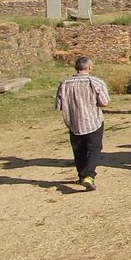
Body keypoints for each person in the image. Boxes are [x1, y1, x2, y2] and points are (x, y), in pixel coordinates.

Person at [55, 57, 110, 191]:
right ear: (89, 67)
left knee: (78, 150)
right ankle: (89, 176)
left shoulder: (64, 84)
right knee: (94, 148)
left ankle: (81, 175)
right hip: (93, 120)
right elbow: (104, 102)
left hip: (73, 121)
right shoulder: (96, 82)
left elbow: (59, 105)